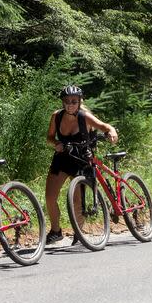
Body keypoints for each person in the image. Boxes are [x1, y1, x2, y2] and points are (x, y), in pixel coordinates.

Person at [45, 85, 118, 244]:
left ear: (79, 102)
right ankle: (56, 231)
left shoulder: (85, 117)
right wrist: (56, 142)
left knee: (77, 201)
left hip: (82, 160)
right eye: (66, 101)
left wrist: (112, 133)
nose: (70, 104)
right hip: (62, 158)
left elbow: (105, 127)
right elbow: (49, 137)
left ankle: (79, 232)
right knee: (50, 198)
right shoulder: (56, 116)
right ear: (62, 102)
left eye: (73, 101)